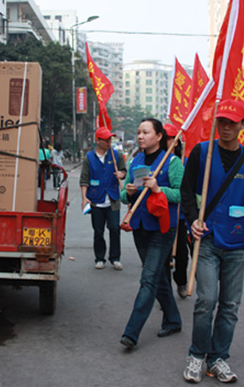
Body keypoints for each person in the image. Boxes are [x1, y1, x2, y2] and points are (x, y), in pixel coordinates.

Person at [180, 99, 244, 383]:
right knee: (206, 300)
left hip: (236, 243)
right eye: (222, 121)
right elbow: (186, 191)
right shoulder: (202, 153)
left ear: (243, 125)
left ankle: (217, 358)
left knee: (230, 305)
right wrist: (193, 219)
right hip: (206, 239)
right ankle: (197, 355)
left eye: (232, 122)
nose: (226, 127)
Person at [119, 118, 183, 348]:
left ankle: (131, 332)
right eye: (139, 132)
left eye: (145, 132)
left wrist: (158, 189)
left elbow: (181, 194)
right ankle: (173, 320)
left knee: (148, 279)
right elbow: (123, 196)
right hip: (140, 227)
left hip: (162, 229)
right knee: (157, 276)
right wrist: (128, 192)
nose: (140, 136)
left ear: (159, 136)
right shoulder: (135, 161)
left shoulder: (172, 162)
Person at [80, 127, 127, 270]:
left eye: (110, 139)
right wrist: (84, 198)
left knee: (114, 228)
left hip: (112, 199)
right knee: (98, 231)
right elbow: (84, 180)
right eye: (105, 140)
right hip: (96, 199)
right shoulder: (89, 158)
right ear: (98, 141)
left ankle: (115, 258)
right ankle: (99, 258)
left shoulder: (116, 155)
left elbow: (124, 171)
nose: (108, 142)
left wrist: (121, 174)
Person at [163, 123, 191, 299]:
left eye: (170, 138)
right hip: (160, 215)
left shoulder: (184, 162)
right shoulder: (156, 161)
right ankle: (165, 292)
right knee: (163, 257)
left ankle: (181, 282)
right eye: (165, 138)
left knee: (182, 254)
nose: (168, 142)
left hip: (180, 217)